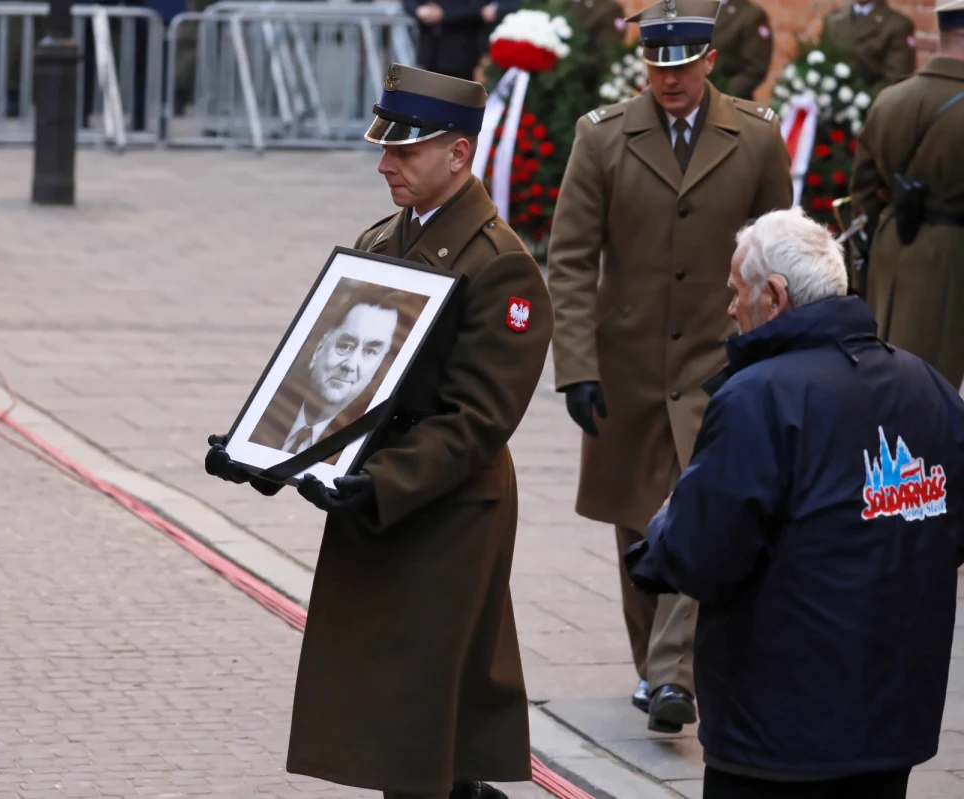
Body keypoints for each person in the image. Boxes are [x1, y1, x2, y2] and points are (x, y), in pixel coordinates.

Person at [207, 63, 552, 799]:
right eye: (385, 145)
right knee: (396, 713)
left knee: (419, 713)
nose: (383, 162)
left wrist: (381, 482)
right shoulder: (382, 237)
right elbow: (333, 374)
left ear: (458, 153)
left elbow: (478, 418)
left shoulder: (503, 268)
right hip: (375, 495)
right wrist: (268, 449)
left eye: (405, 150)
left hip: (445, 508)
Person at [625, 206, 964, 799]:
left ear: (774, 295)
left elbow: (699, 554)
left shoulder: (759, 397)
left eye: (735, 292)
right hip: (893, 721)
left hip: (776, 732)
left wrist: (661, 529)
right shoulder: (926, 385)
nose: (730, 309)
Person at [545, 0, 792, 734]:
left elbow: (777, 251)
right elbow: (569, 258)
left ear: (710, 60)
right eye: (657, 64)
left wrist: (772, 350)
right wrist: (576, 366)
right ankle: (652, 669)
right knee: (634, 523)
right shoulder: (602, 139)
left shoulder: (755, 136)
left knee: (698, 502)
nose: (670, 79)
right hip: (626, 366)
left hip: (720, 361)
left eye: (683, 64)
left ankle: (671, 674)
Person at [848, 0, 964, 390]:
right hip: (951, 260)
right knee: (938, 386)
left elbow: (862, 189)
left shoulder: (889, 100)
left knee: (886, 373)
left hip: (890, 247)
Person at [249, 286, 403, 455]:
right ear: (319, 347)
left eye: (370, 352)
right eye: (345, 346)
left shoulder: (376, 448)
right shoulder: (269, 409)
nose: (350, 365)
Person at [820, 0, 916, 93]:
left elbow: (897, 79)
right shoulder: (834, 20)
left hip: (872, 103)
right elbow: (821, 64)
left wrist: (862, 99)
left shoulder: (897, 25)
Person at [404, 0, 496, 81]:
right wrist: (418, 10)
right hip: (429, 53)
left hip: (460, 53)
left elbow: (480, 7)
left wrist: (444, 14)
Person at [710, 0, 773, 100]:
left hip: (727, 104)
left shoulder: (750, 14)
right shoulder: (691, 8)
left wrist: (720, 94)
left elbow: (755, 69)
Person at [573, 0, 628, 94]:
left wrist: (570, 63)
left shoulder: (609, 8)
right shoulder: (567, 4)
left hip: (587, 83)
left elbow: (607, 52)